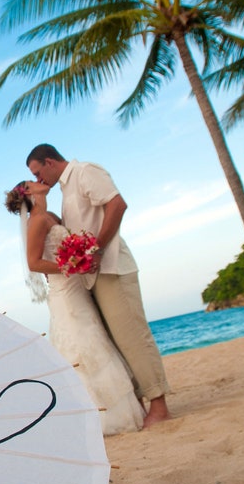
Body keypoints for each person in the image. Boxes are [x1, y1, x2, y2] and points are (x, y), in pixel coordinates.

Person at [25, 144, 171, 428]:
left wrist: (97, 249)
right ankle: (139, 402)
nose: (38, 179)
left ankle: (160, 406)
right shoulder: (65, 193)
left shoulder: (84, 172)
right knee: (116, 342)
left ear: (50, 161)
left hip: (113, 267)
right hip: (91, 276)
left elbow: (117, 205)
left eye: (38, 172)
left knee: (132, 336)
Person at [4, 180, 143, 436]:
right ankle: (98, 419)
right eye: (32, 182)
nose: (38, 181)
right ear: (29, 194)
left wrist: (81, 255)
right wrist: (71, 267)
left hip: (78, 287)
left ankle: (116, 409)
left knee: (95, 336)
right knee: (81, 343)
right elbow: (34, 263)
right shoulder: (35, 221)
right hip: (64, 292)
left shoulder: (51, 216)